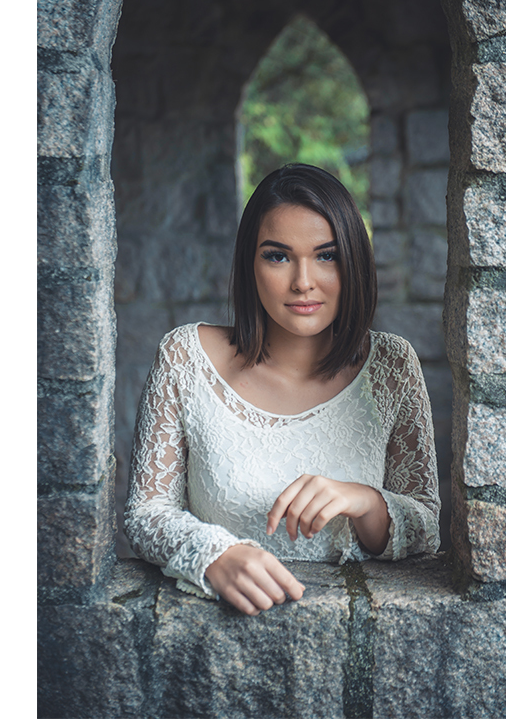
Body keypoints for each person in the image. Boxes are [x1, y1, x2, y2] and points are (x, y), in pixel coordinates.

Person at [125, 163, 440, 616]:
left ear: (354, 261)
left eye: (326, 256)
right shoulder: (185, 357)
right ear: (249, 264)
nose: (303, 281)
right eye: (278, 256)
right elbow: (145, 514)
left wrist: (367, 501)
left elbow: (427, 530)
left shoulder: (392, 366)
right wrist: (215, 555)